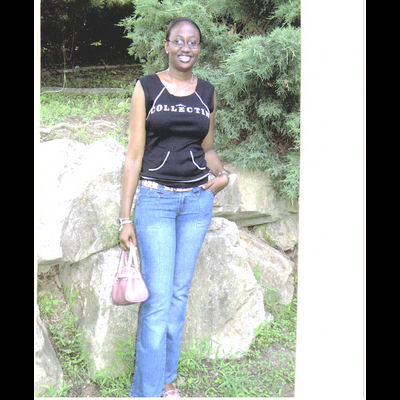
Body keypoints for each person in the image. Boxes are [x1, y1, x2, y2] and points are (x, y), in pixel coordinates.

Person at [119, 17, 229, 398]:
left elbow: (207, 148)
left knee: (178, 298)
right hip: (156, 202)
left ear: (199, 48)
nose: (186, 47)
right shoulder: (146, 87)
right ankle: (145, 392)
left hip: (196, 204)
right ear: (166, 45)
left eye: (193, 42)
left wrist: (222, 176)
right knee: (157, 301)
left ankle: (166, 381)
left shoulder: (208, 92)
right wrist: (125, 217)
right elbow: (134, 156)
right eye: (178, 41)